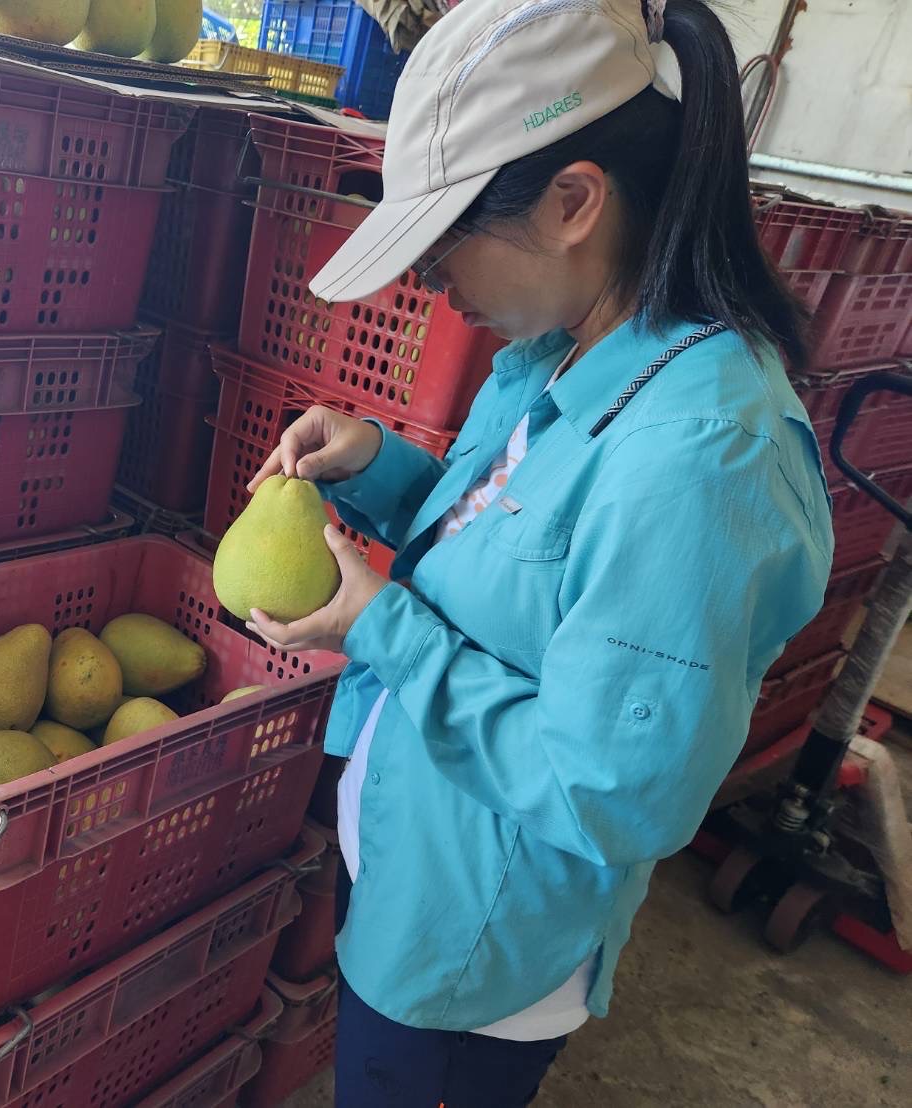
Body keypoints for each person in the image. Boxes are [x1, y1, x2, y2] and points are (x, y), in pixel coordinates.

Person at [242, 1, 833, 1104]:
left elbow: (613, 789)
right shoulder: (572, 346)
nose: (425, 280)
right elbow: (511, 553)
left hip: (475, 950)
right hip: (425, 859)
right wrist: (374, 463)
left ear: (572, 202)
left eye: (443, 240)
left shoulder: (700, 459)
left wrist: (382, 628)